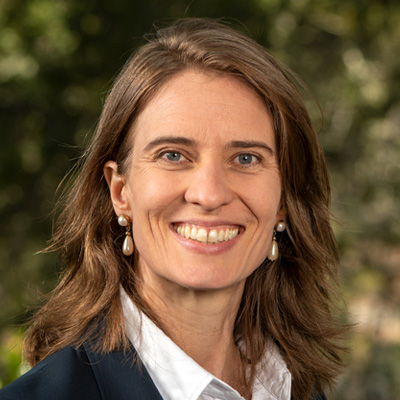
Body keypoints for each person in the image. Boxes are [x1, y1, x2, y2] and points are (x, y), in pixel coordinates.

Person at [0, 18, 346, 400]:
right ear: (121, 191)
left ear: (283, 201)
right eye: (173, 155)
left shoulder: (298, 389)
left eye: (246, 158)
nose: (210, 194)